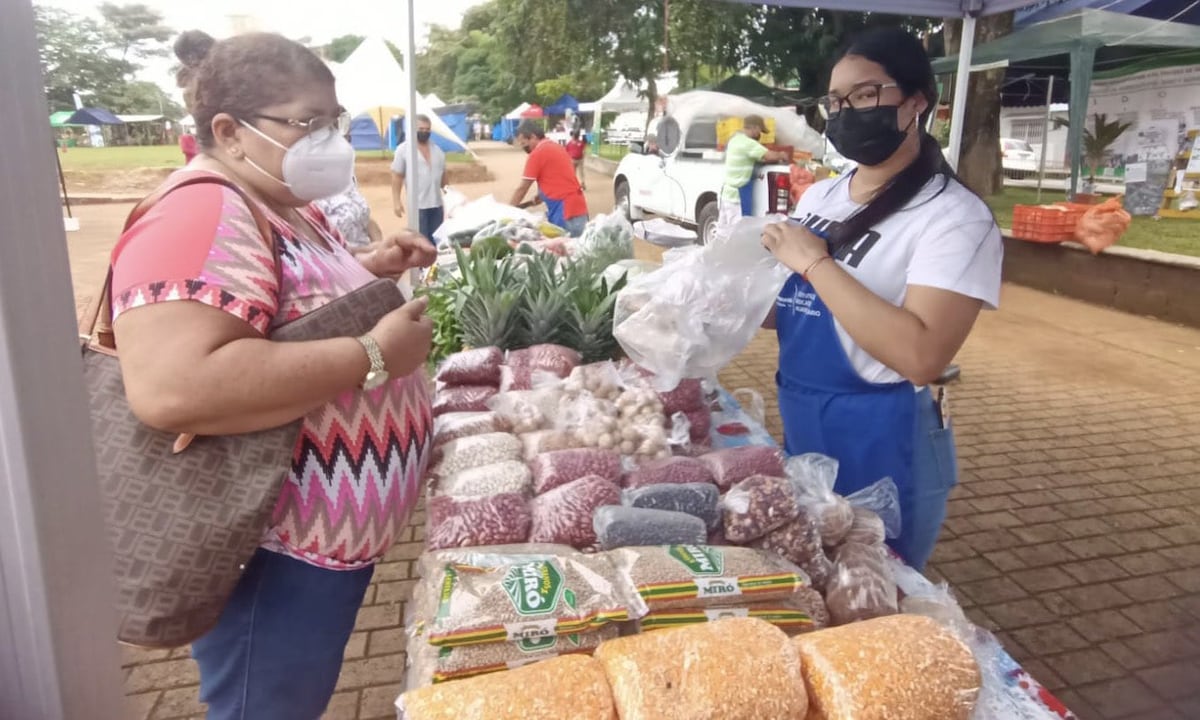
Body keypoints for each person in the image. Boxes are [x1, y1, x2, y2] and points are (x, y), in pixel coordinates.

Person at [113, 30, 437, 720]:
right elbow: (173, 387)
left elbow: (283, 305)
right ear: (229, 132)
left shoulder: (279, 199)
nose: (331, 139)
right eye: (308, 122)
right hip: (271, 555)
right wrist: (375, 355)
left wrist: (370, 268)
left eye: (334, 121)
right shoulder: (200, 210)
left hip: (321, 549)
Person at [760, 27, 1002, 571]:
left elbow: (923, 355)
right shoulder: (823, 194)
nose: (847, 111)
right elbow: (791, 312)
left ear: (916, 101)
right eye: (836, 100)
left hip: (887, 437)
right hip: (804, 416)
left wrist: (815, 262)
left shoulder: (955, 217)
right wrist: (724, 297)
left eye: (866, 94)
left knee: (876, 588)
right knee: (817, 573)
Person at [510, 120, 589, 236]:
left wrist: (507, 210)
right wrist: (542, 194)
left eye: (524, 144)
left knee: (566, 250)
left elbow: (522, 188)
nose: (524, 148)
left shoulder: (537, 153)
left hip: (565, 213)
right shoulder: (556, 147)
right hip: (578, 208)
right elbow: (559, 177)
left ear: (533, 137)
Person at [718, 114, 791, 237]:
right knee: (737, 235)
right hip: (737, 198)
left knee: (723, 232)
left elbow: (755, 156)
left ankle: (717, 254)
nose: (760, 135)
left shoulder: (735, 139)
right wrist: (782, 155)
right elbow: (769, 155)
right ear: (755, 128)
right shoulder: (748, 143)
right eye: (760, 131)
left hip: (726, 195)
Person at [314, 128, 383, 250]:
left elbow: (365, 218)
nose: (346, 146)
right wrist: (368, 253)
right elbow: (320, 245)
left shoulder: (348, 177)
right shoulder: (309, 190)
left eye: (348, 139)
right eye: (339, 140)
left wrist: (380, 247)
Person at [391, 114, 447, 241]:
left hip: (436, 205)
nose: (424, 132)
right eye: (421, 129)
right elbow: (397, 176)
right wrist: (396, 201)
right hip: (417, 206)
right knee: (420, 241)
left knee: (438, 241)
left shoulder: (438, 151)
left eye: (427, 130)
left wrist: (450, 195)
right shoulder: (403, 150)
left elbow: (443, 175)